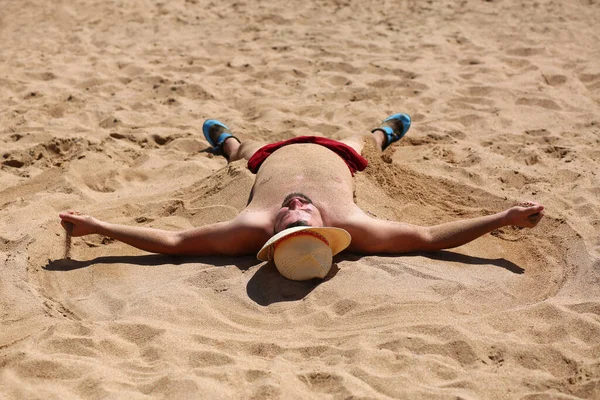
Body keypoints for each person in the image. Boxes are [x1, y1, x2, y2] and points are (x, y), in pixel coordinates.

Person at [59, 113, 544, 274]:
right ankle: (385, 132)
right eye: (302, 215)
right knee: (365, 143)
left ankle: (224, 140)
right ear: (324, 227)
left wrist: (98, 227)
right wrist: (503, 218)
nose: (295, 207)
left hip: (266, 156)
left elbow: (175, 243)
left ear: (271, 235)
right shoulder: (353, 227)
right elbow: (428, 235)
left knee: (239, 151)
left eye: (288, 216)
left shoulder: (249, 228)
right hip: (342, 154)